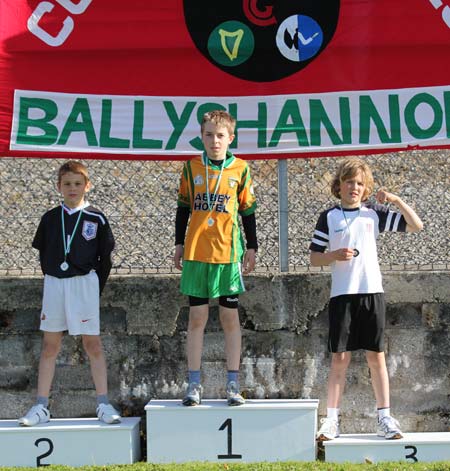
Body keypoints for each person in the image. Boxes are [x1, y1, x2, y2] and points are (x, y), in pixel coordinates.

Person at [310, 157, 423, 441]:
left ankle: (385, 417)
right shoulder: (329, 216)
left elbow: (416, 226)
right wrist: (333, 256)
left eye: (360, 183)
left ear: (366, 188)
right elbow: (313, 257)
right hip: (342, 295)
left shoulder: (373, 213)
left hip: (372, 293)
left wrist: (396, 199)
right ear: (339, 185)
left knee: (376, 357)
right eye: (349, 182)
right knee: (340, 358)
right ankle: (332, 420)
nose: (355, 187)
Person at [18, 161, 121, 426]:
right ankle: (41, 406)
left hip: (84, 284)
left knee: (92, 344)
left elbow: (105, 258)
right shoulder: (50, 218)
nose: (72, 188)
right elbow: (43, 253)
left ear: (87, 185)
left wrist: (93, 287)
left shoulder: (96, 218)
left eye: (77, 183)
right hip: (55, 283)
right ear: (59, 187)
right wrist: (55, 276)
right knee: (50, 345)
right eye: (67, 184)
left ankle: (103, 404)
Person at [174, 110, 257, 406]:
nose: (214, 140)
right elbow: (183, 207)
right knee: (197, 318)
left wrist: (252, 247)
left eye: (220, 135)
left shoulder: (241, 169)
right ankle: (193, 385)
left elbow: (247, 210)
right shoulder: (191, 167)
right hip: (197, 252)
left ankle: (233, 384)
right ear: (201, 136)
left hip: (227, 252)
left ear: (230, 138)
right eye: (208, 135)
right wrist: (178, 244)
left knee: (229, 317)